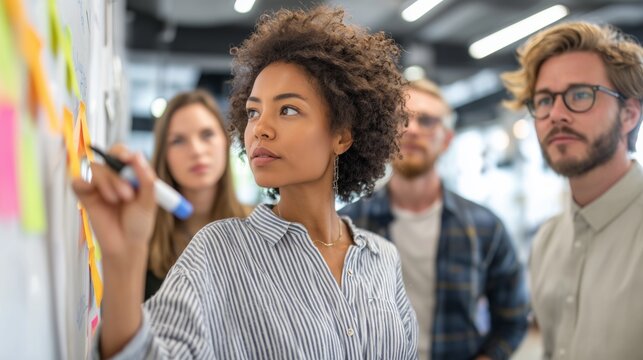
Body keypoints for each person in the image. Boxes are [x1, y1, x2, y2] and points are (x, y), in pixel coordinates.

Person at [73, 6, 418, 359]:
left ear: (342, 135)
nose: (260, 129)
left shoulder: (382, 259)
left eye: (287, 110)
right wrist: (124, 260)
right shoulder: (219, 251)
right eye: (253, 112)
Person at [341, 78, 529, 360]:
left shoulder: (485, 227)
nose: (412, 129)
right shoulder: (348, 226)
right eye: (401, 119)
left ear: (447, 139)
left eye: (427, 121)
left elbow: (513, 318)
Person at [501, 22, 643, 359]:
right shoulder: (547, 241)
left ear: (628, 115)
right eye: (545, 100)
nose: (557, 115)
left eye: (581, 94)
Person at [145, 89, 248, 300]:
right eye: (178, 141)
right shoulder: (143, 235)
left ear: (225, 141)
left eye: (207, 134)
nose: (196, 150)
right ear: (164, 155)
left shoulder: (257, 231)